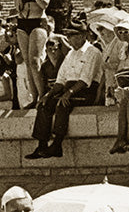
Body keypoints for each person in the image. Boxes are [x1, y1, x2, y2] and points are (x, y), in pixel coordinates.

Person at [26, 21, 102, 159]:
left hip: (85, 91)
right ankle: (42, 144)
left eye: (73, 35)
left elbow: (85, 80)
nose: (70, 39)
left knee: (62, 104)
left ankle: (57, 144)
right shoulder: (71, 54)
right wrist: (48, 95)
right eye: (68, 35)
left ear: (83, 35)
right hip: (68, 89)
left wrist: (68, 93)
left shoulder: (93, 52)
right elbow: (61, 79)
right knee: (44, 105)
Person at [15, 0, 53, 106]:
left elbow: (44, 4)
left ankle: (43, 94)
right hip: (23, 22)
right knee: (26, 61)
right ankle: (34, 96)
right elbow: (18, 7)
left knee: (34, 60)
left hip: (38, 22)